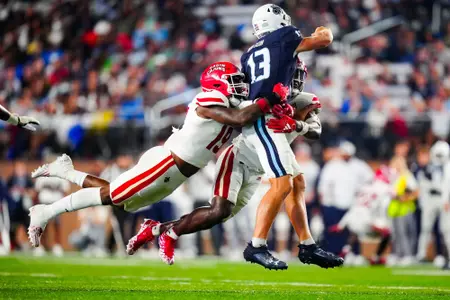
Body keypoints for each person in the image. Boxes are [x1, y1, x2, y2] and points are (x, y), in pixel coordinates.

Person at [27, 61, 289, 248]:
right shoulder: (209, 100)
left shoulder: (228, 100)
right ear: (216, 85)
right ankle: (45, 212)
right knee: (111, 195)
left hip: (175, 172)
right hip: (166, 163)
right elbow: (243, 116)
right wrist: (269, 99)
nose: (240, 88)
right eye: (234, 83)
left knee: (120, 201)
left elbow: (250, 112)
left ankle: (66, 171)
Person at [126, 67, 341, 269]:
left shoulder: (306, 100)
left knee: (293, 185)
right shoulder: (260, 95)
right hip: (239, 157)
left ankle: (156, 229)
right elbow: (241, 116)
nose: (293, 80)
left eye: (296, 75)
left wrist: (296, 124)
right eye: (289, 73)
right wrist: (270, 103)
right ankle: (260, 245)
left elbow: (315, 131)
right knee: (219, 211)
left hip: (262, 166)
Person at [238, 3, 334, 267]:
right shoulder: (286, 36)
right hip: (265, 121)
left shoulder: (248, 54)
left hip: (261, 114)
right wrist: (323, 28)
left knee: (297, 182)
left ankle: (307, 245)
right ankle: (256, 245)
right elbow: (324, 39)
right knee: (282, 183)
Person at [329, 166, 395, 265]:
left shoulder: (365, 187)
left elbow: (354, 207)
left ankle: (345, 251)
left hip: (353, 218)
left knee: (355, 231)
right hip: (368, 219)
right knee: (387, 232)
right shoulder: (386, 189)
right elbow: (383, 206)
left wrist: (341, 225)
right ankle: (376, 257)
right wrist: (378, 222)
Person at [416, 141, 450, 265]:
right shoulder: (427, 166)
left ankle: (446, 256)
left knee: (446, 229)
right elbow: (422, 183)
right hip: (430, 199)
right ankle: (421, 254)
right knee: (425, 227)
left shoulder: (447, 166)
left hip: (444, 199)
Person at [34, 155, 70, 256]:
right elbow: (37, 190)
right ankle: (41, 246)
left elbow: (65, 190)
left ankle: (57, 245)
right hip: (44, 202)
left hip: (56, 203)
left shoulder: (61, 175)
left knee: (57, 224)